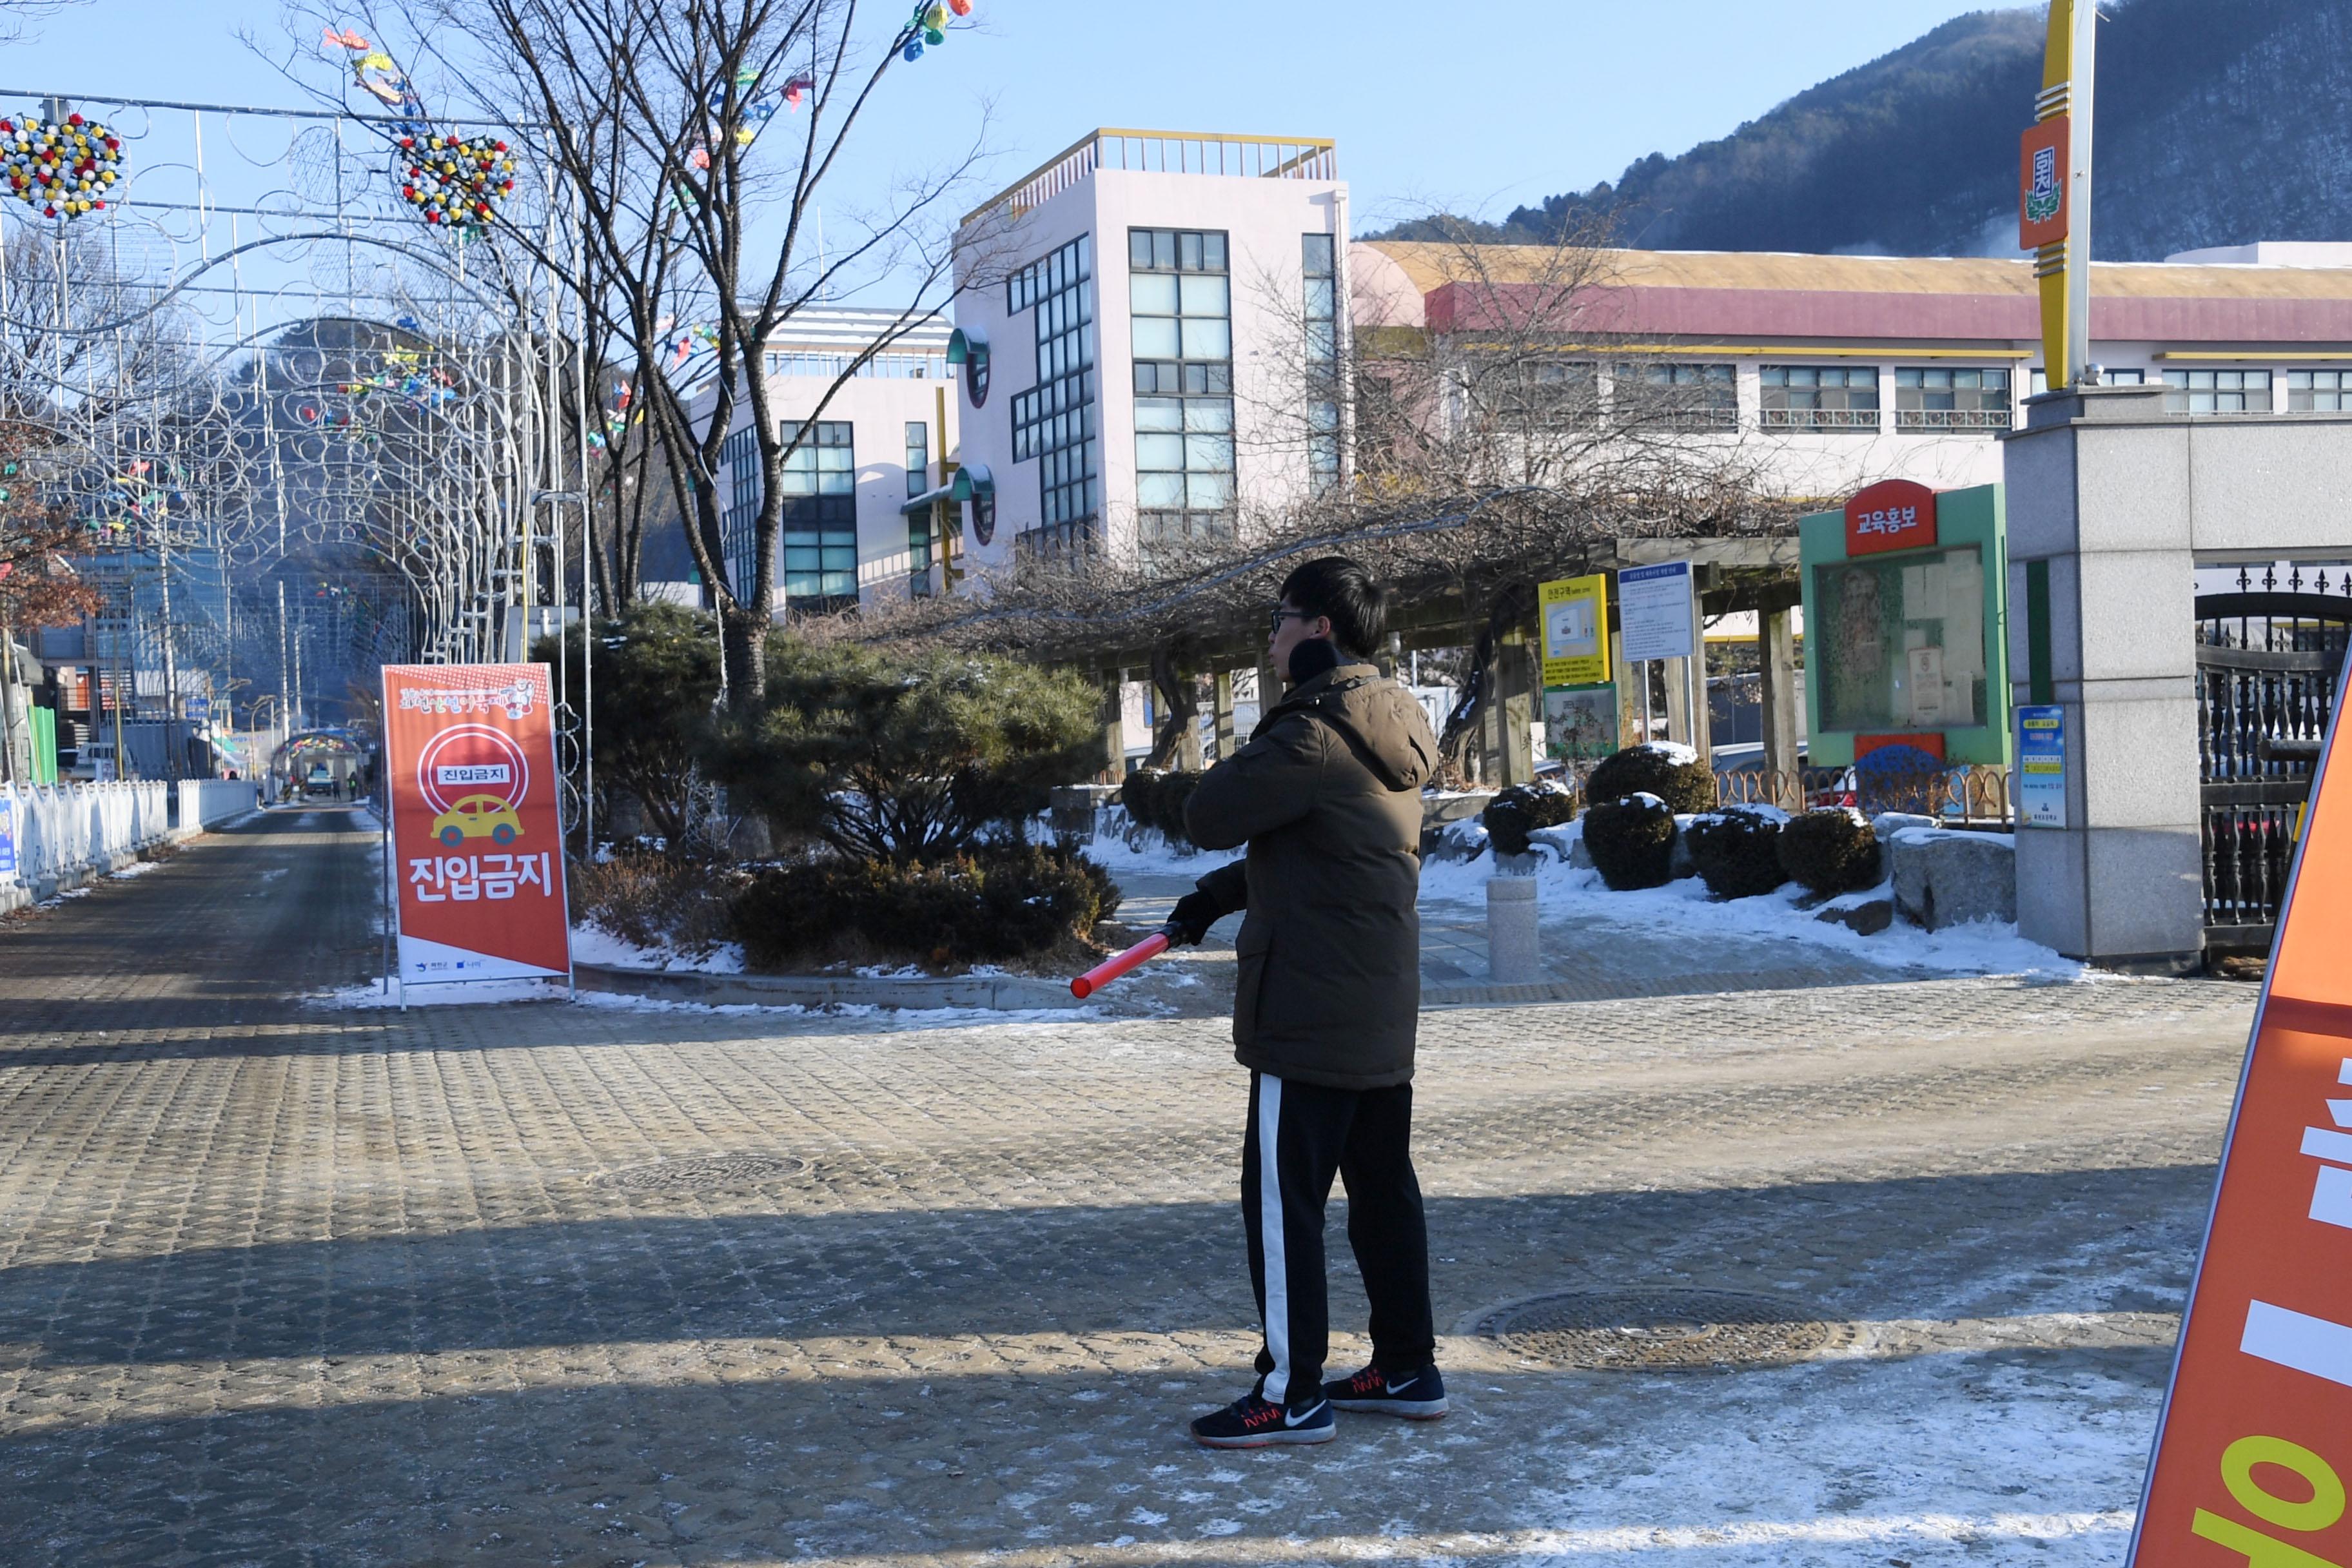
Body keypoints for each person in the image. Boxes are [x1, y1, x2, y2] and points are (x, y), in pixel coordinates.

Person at [1171, 556, 1445, 1449]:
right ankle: (1407, 1365)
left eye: (1283, 621)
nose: (1273, 637)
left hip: (1309, 1009)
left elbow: (1209, 810)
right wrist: (1218, 896)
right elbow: (1330, 845)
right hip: (1375, 1001)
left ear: (1320, 629)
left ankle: (1290, 1395)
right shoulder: (1391, 719)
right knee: (1381, 1190)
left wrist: (1278, 718)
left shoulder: (1314, 728)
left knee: (1284, 1203)